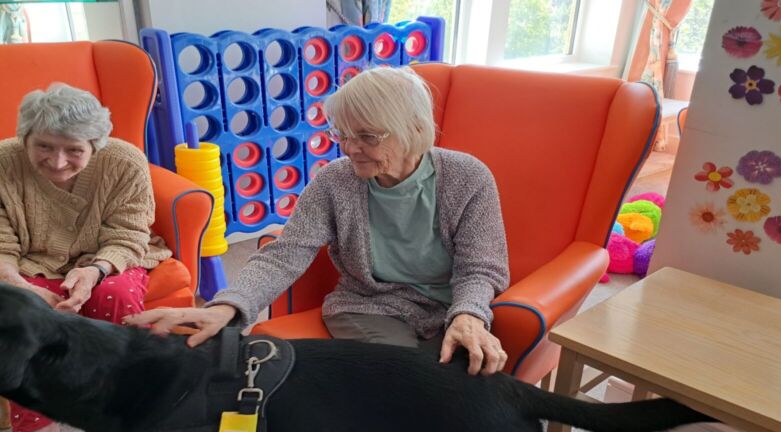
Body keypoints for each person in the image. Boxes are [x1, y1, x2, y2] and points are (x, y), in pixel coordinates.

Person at [126, 66, 510, 376]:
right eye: (342, 134)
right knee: (409, 380)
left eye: (367, 136)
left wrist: (468, 315)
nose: (349, 147)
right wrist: (226, 307)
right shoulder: (335, 180)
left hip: (447, 307)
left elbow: (480, 269)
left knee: (466, 382)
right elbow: (286, 253)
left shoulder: (467, 177)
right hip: (369, 306)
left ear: (414, 129)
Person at [0, 83, 172, 432]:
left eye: (74, 150)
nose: (58, 162)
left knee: (117, 296)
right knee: (20, 313)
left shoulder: (125, 162)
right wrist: (16, 285)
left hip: (108, 258)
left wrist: (94, 270)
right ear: (23, 137)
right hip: (28, 264)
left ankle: (113, 408)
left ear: (96, 145)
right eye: (43, 146)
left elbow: (128, 233)